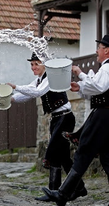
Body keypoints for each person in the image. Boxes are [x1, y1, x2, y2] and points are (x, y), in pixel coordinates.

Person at [6, 52, 87, 202]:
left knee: (54, 151)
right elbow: (28, 94)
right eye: (31, 64)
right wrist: (10, 98)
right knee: (63, 157)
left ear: (44, 64)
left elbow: (38, 92)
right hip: (56, 119)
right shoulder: (38, 80)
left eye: (36, 64)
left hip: (65, 117)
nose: (33, 67)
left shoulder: (50, 77)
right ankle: (78, 188)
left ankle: (54, 191)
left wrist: (16, 86)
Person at [42, 35, 109, 206]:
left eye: (99, 47)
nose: (97, 51)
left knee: (84, 149)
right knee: (107, 158)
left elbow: (98, 86)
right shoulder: (105, 68)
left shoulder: (108, 67)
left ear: (107, 50)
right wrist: (80, 85)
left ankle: (63, 194)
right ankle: (65, 193)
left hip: (104, 116)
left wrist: (80, 76)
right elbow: (96, 89)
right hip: (104, 114)